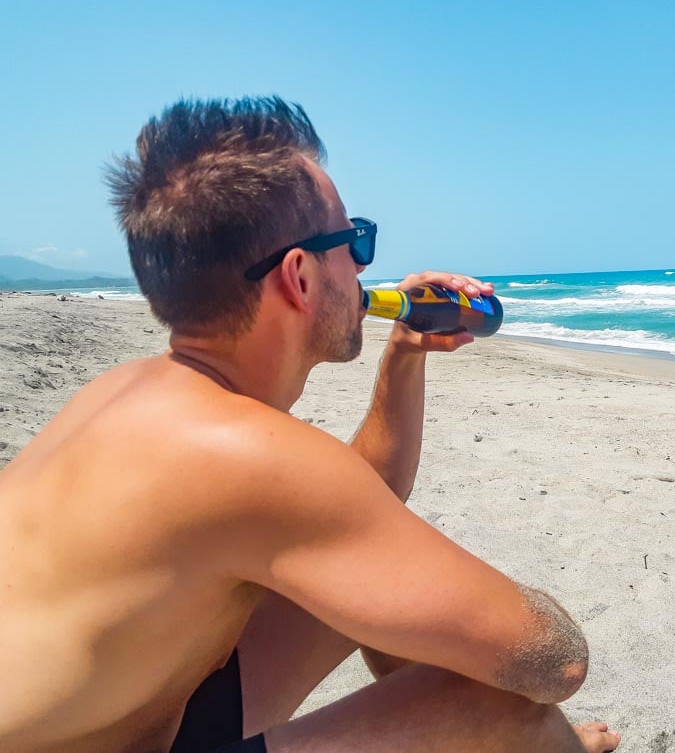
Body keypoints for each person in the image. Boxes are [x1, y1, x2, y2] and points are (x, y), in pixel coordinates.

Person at [0, 97, 621, 753]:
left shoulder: (127, 393)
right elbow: (557, 661)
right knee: (506, 711)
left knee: (381, 582)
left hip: (137, 720)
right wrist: (525, 634)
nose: (361, 265)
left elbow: (359, 501)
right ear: (298, 275)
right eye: (352, 240)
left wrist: (405, 354)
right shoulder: (240, 455)